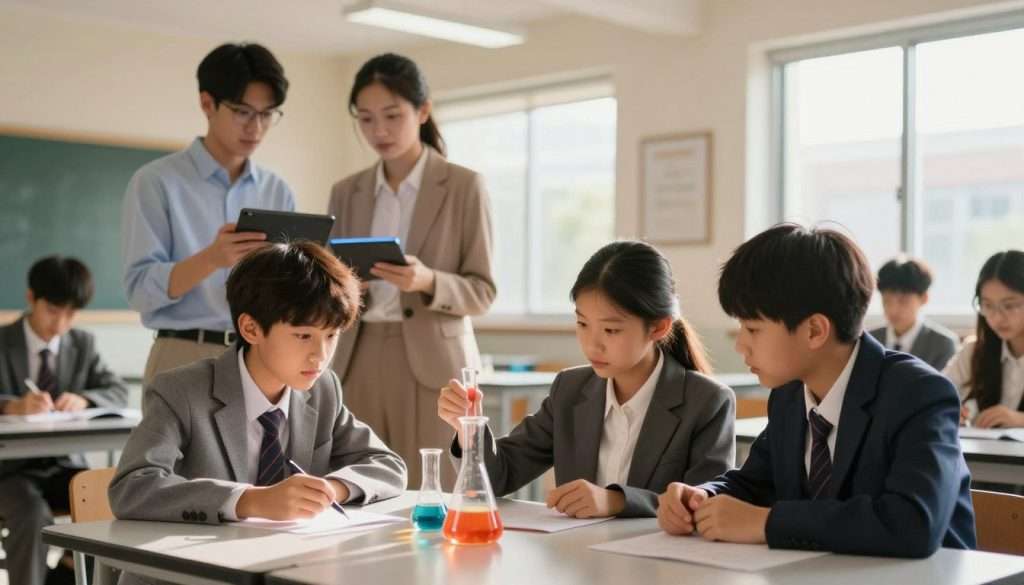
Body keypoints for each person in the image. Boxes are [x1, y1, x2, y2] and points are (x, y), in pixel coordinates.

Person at [657, 223, 975, 557]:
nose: (740, 345)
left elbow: (912, 523)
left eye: (753, 329)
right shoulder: (790, 394)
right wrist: (700, 497)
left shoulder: (918, 393)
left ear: (814, 331)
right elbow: (755, 483)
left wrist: (767, 523)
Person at [109, 242, 406, 585]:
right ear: (250, 329)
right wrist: (249, 501)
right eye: (303, 335)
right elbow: (132, 488)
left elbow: (388, 466)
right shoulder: (183, 391)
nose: (320, 355)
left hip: (282, 569)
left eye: (331, 335)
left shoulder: (323, 389)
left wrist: (330, 489)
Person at [439, 241, 734, 518]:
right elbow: (498, 478)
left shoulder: (707, 402)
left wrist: (617, 501)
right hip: (578, 560)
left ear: (658, 327)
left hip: (663, 567)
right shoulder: (570, 389)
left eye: (611, 330)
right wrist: (471, 430)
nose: (592, 345)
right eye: (582, 323)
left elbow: (702, 504)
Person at [327, 53, 495, 488]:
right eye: (365, 119)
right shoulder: (346, 192)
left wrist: (428, 281)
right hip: (356, 353)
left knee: (433, 486)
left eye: (391, 115)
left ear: (423, 111)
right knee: (362, 483)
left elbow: (483, 291)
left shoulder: (463, 186)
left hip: (433, 361)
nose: (378, 131)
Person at [122, 42, 294, 387]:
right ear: (207, 104)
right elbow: (140, 290)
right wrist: (212, 258)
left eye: (266, 114)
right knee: (177, 445)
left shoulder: (277, 190)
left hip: (261, 358)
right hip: (183, 353)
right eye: (243, 112)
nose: (255, 127)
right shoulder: (156, 182)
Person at [0, 256, 127, 585]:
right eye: (53, 311)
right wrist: (11, 407)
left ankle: (76, 575)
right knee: (31, 513)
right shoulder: (3, 341)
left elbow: (116, 390)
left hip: (63, 465)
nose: (60, 324)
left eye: (70, 314)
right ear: (31, 299)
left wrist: (84, 398)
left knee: (109, 495)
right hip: (10, 472)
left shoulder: (81, 343)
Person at [944, 250, 1024, 428]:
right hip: (981, 455)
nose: (997, 317)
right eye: (988, 305)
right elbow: (935, 393)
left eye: (1009, 305)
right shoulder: (973, 352)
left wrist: (1020, 420)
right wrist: (950, 410)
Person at [869, 255, 958, 371]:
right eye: (886, 301)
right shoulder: (870, 340)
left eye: (903, 301)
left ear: (924, 298)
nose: (893, 309)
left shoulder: (942, 344)